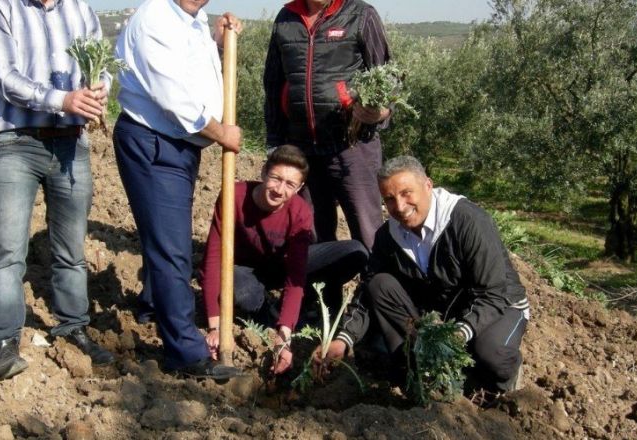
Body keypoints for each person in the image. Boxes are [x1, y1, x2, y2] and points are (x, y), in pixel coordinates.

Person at [0, 0, 115, 380]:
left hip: (72, 144)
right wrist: (63, 100)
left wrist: (99, 89)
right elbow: (4, 77)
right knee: (7, 251)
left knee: (71, 250)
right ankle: (2, 342)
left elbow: (100, 65)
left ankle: (73, 327)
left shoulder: (80, 10)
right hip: (17, 142)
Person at [314, 155, 530, 393]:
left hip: (499, 304)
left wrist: (459, 333)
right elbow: (367, 291)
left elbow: (492, 293)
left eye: (407, 193)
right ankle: (413, 374)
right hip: (444, 309)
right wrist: (344, 339)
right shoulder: (389, 235)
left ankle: (502, 381)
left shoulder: (467, 221)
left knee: (491, 354)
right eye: (389, 199)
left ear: (428, 185)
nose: (400, 206)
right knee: (379, 284)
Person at [113, 0, 243, 380]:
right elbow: (174, 98)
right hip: (155, 143)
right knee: (173, 249)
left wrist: (219, 44)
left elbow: (193, 77)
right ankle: (185, 353)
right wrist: (223, 134)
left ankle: (154, 305)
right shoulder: (154, 18)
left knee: (167, 237)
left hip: (178, 146)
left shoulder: (193, 19)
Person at [200, 145, 368, 374]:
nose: (280, 189)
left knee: (355, 252)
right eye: (276, 178)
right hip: (244, 271)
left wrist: (284, 336)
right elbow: (212, 260)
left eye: (290, 184)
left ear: (299, 188)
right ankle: (267, 312)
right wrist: (215, 327)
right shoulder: (234, 196)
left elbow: (295, 275)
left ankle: (306, 305)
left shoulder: (299, 212)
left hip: (280, 266)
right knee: (240, 290)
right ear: (263, 173)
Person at [264, 0, 392, 250]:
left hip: (352, 147)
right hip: (301, 149)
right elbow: (272, 84)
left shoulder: (361, 14)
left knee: (368, 231)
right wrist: (275, 141)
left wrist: (382, 112)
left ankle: (373, 288)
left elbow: (387, 76)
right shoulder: (285, 18)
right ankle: (319, 290)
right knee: (309, 234)